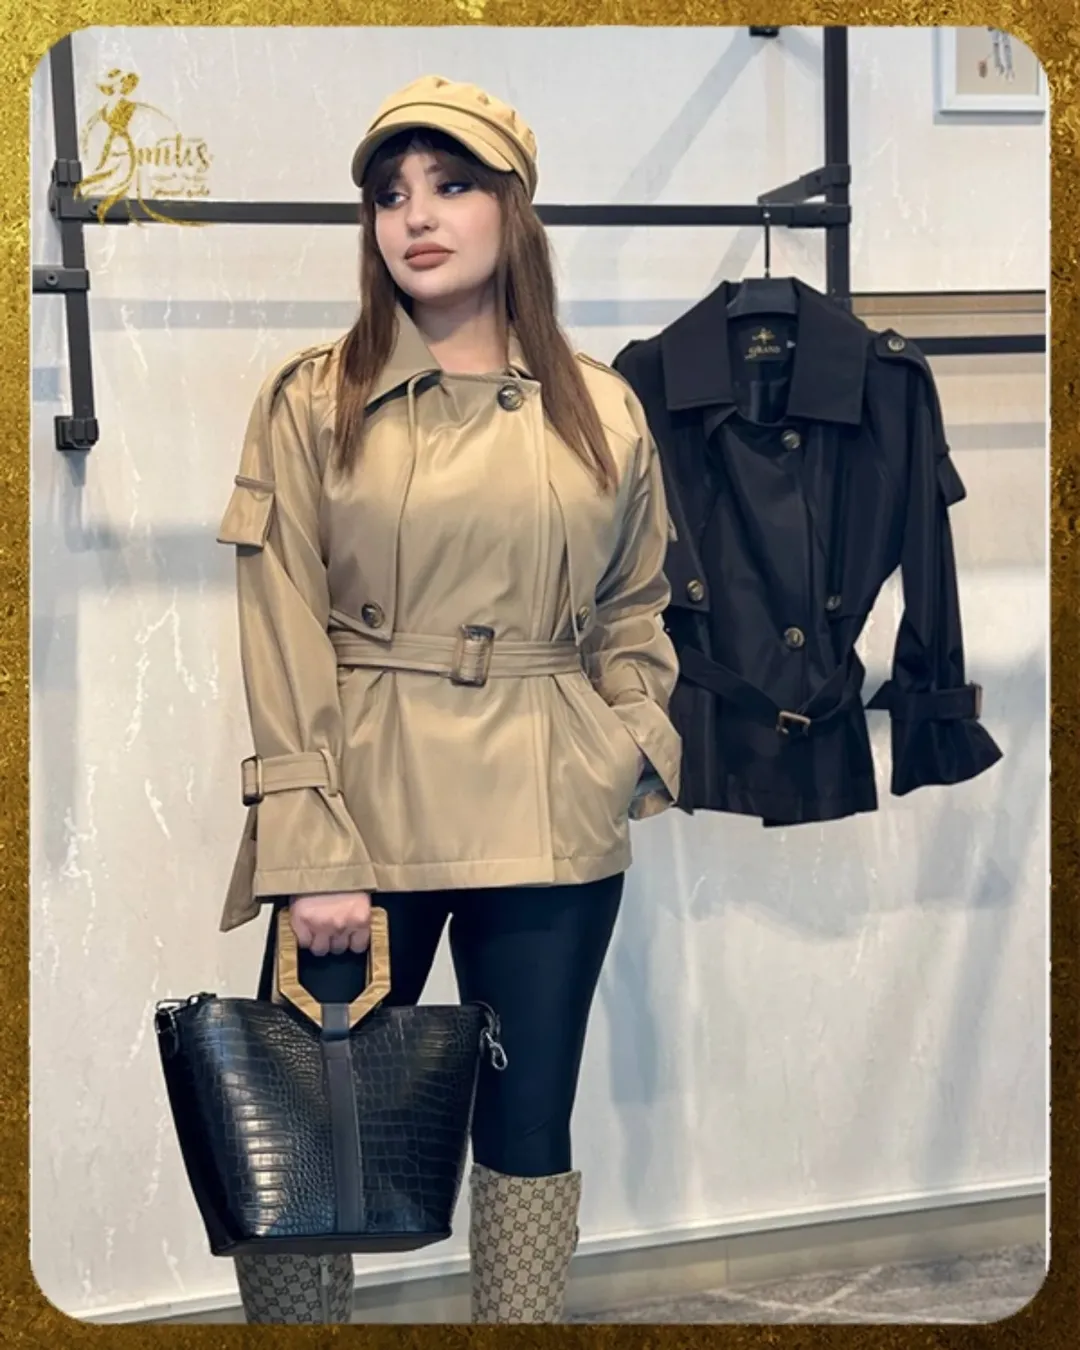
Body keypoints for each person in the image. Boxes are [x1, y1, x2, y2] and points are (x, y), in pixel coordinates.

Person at [214, 74, 682, 1325]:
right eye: (390, 195)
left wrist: (629, 743)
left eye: (452, 184)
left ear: (513, 208)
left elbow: (636, 604)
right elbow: (281, 626)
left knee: (529, 1127)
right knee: (306, 1131)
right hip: (365, 812)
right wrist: (311, 851)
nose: (415, 217)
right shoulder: (312, 398)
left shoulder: (604, 407)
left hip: (552, 810)